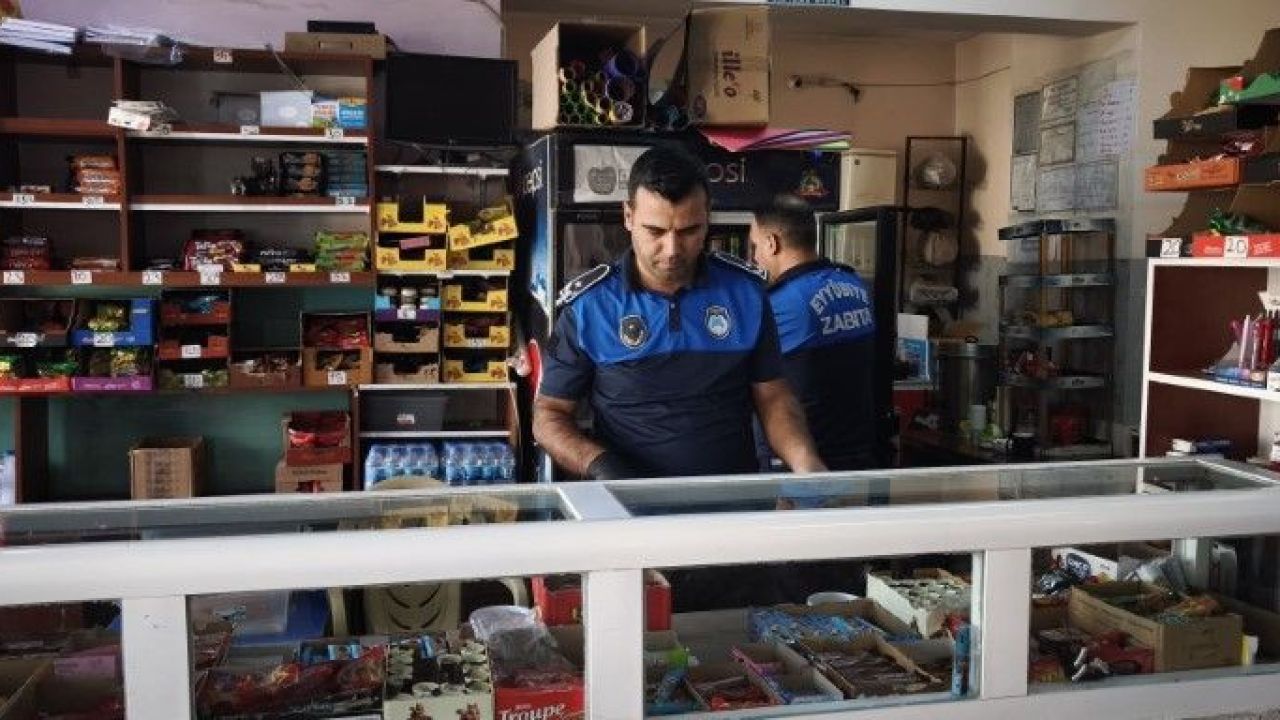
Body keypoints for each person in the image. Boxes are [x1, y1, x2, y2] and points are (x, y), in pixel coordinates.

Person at [533, 146, 827, 482]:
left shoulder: (746, 293)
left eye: (689, 231)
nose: (672, 249)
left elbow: (773, 396)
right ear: (628, 216)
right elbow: (549, 414)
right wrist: (599, 463)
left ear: (708, 217)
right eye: (655, 231)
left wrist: (806, 463)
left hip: (733, 498)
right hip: (627, 502)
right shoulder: (589, 306)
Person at [749, 193, 879, 473]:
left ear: (772, 244)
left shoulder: (779, 304)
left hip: (801, 462)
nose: (755, 256)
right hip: (859, 454)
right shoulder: (856, 286)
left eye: (755, 246)